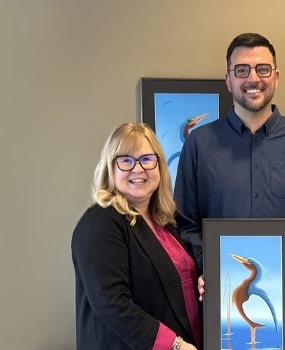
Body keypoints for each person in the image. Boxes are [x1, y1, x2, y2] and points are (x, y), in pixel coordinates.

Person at [174, 32, 285, 349]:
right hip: (222, 308)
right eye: (242, 70)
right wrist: (212, 264)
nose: (253, 78)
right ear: (228, 79)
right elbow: (186, 222)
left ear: (276, 77)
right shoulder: (199, 145)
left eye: (263, 69)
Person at [72, 123, 200, 350]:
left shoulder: (163, 223)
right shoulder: (101, 222)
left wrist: (201, 284)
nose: (138, 169)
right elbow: (111, 303)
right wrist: (175, 345)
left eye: (147, 159)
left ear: (159, 166)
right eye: (126, 160)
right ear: (110, 168)